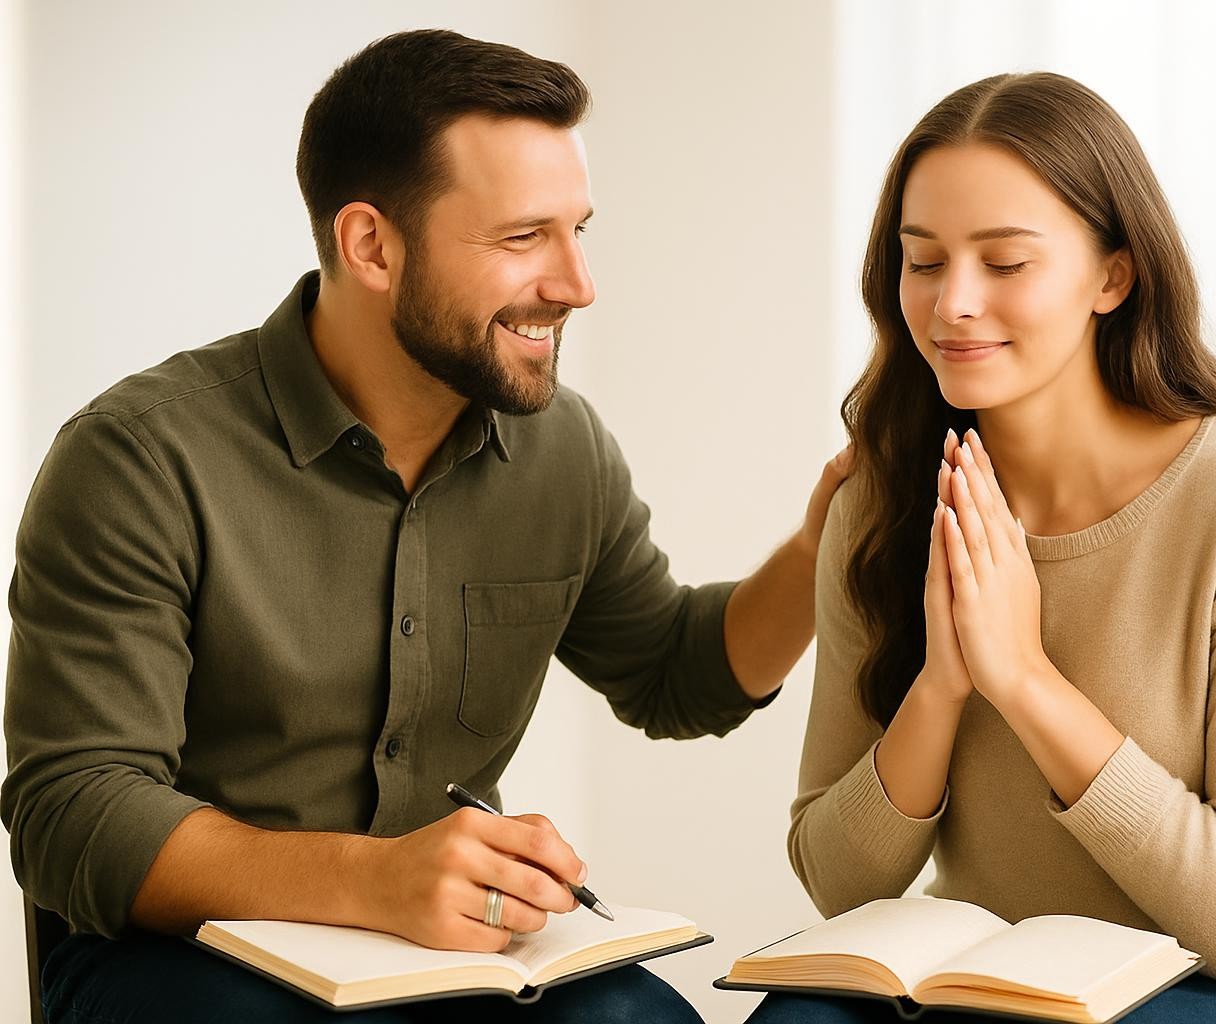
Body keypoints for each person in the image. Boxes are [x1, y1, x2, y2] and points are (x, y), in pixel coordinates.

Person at [2, 29, 848, 1024]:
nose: (578, 283)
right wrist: (373, 881)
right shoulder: (140, 454)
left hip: (444, 963)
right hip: (182, 961)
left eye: (579, 229)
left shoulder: (560, 449)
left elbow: (676, 672)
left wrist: (826, 543)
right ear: (371, 244)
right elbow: (75, 810)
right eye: (524, 237)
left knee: (645, 1021)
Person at [749, 72, 1216, 1024]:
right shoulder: (882, 504)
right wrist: (942, 685)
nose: (954, 302)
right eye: (924, 262)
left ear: (1112, 276)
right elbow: (836, 883)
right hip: (1001, 991)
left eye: (1005, 264)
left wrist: (1025, 680)